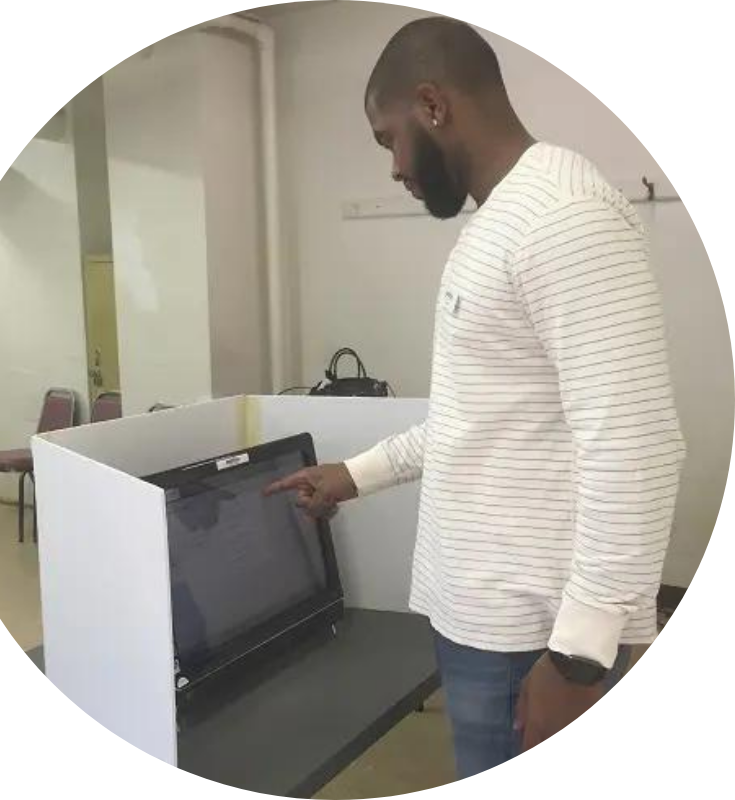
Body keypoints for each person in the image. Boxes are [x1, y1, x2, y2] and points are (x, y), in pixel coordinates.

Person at [266, 17, 685, 778]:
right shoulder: (500, 222)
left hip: (534, 639)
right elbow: (474, 421)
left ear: (433, 105)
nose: (395, 167)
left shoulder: (564, 216)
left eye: (388, 139)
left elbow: (636, 444)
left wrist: (579, 658)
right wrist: (354, 475)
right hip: (485, 623)